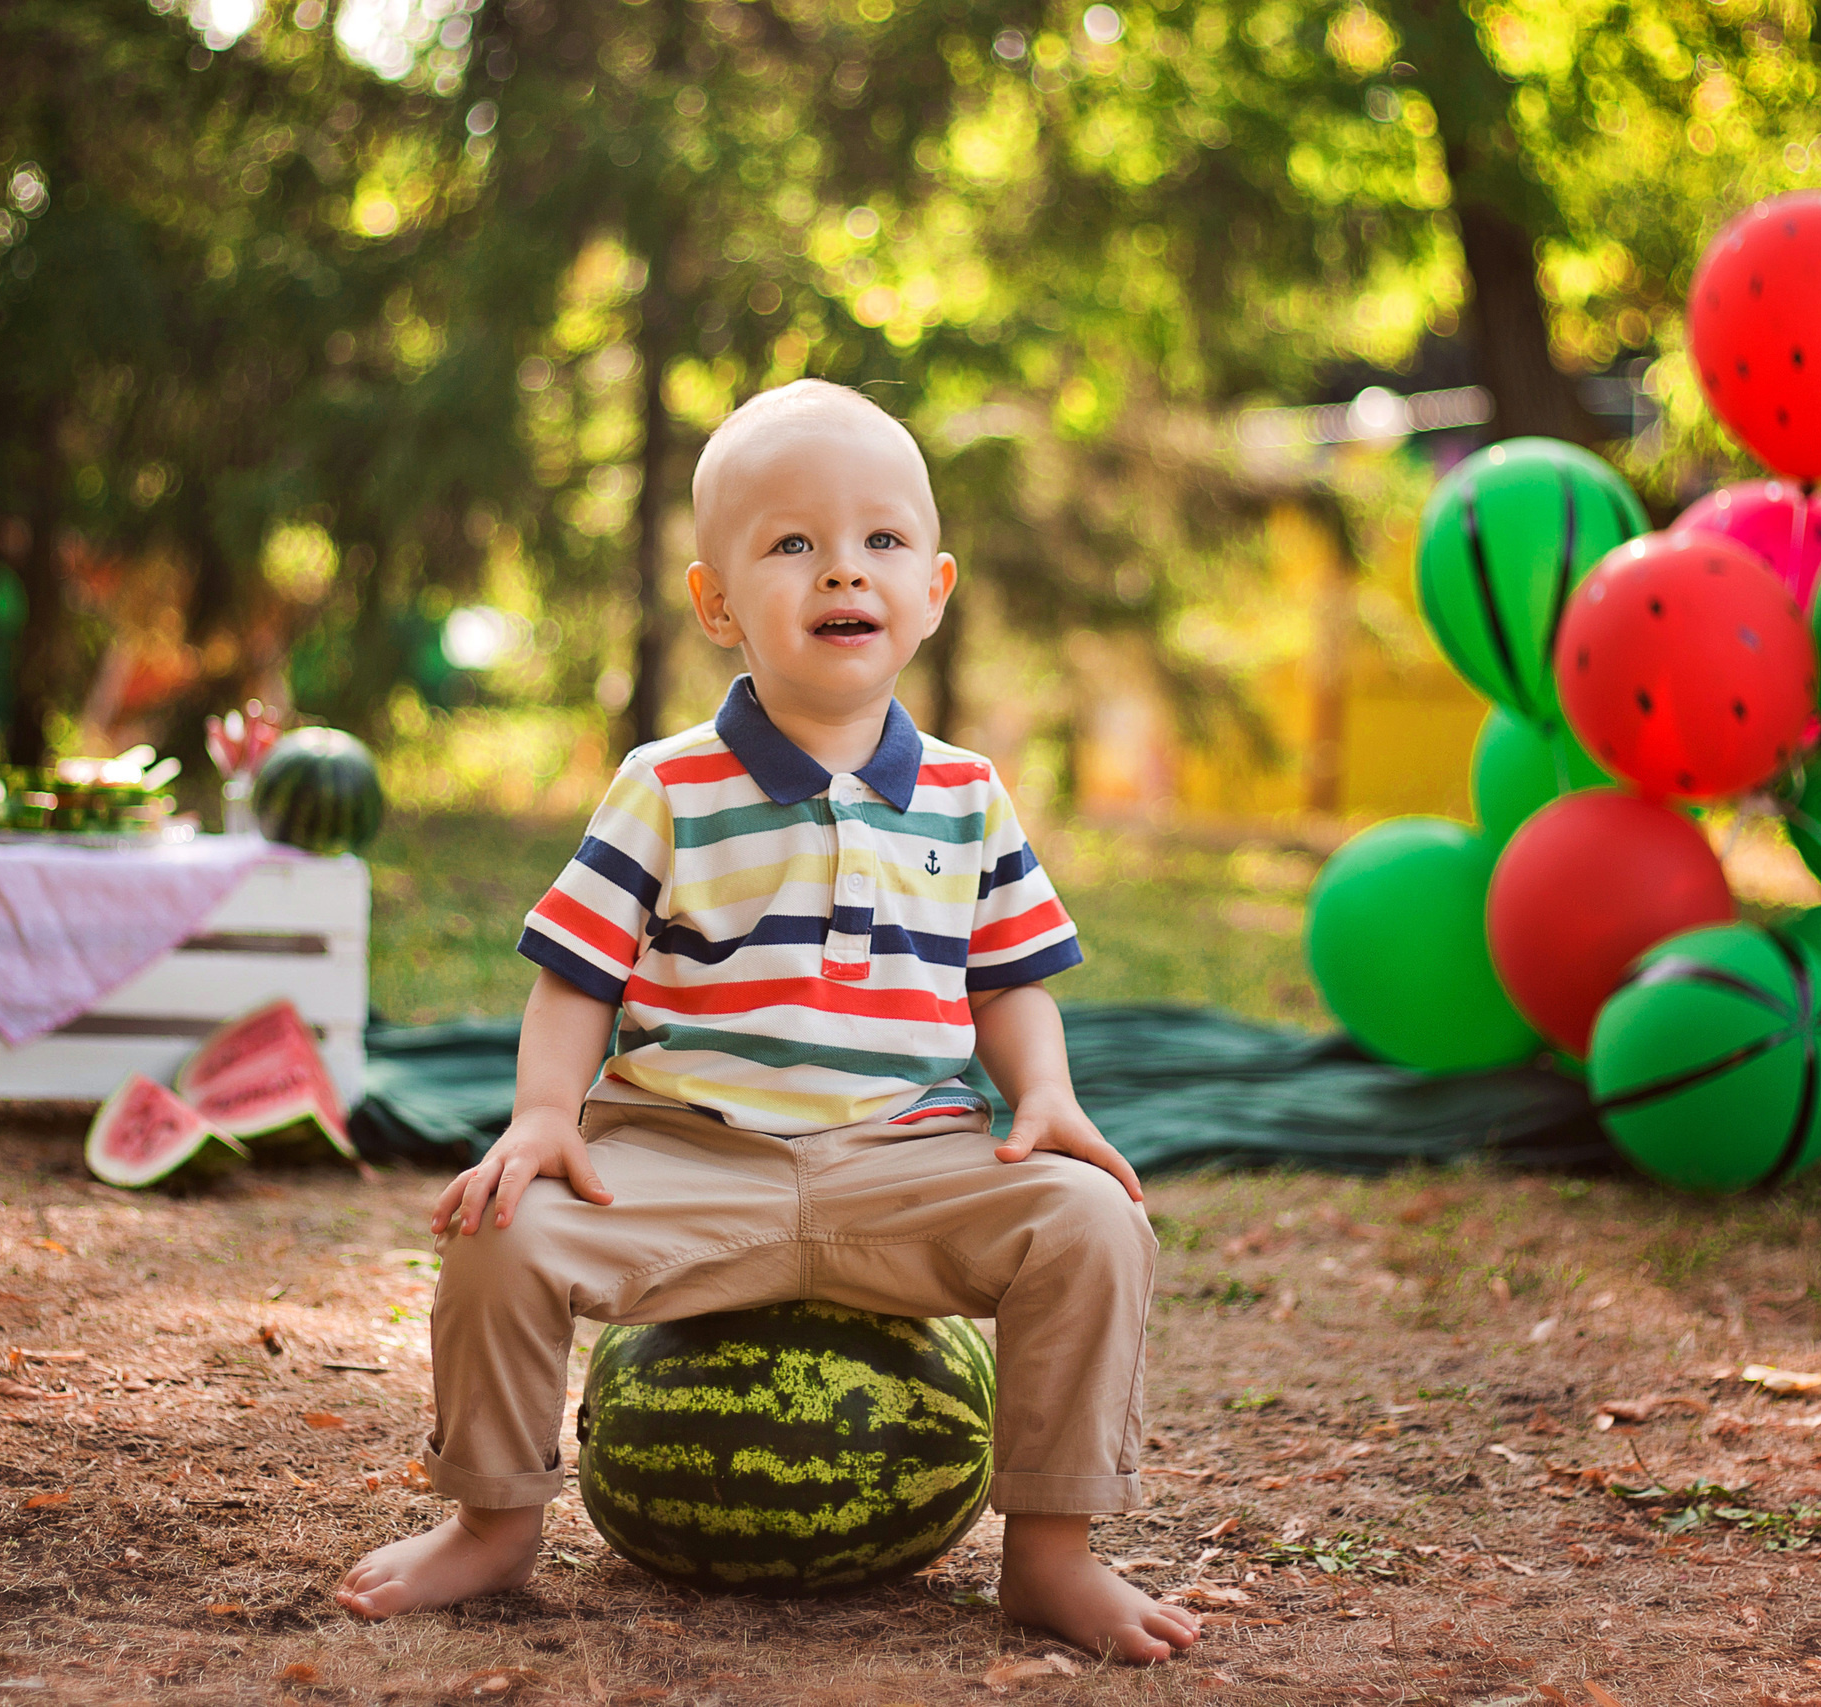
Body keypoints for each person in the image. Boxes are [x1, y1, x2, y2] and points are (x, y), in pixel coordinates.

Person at [334, 380, 1202, 1666]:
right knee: (498, 1232)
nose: (842, 570)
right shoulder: (667, 784)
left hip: (907, 1163)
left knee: (1095, 1223)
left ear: (934, 588)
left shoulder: (967, 796)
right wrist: (538, 1120)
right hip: (686, 1161)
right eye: (793, 543)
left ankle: (1052, 1554)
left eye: (881, 543)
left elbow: (1007, 978)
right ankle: (493, 1523)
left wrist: (1045, 1098)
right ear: (718, 601)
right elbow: (576, 973)